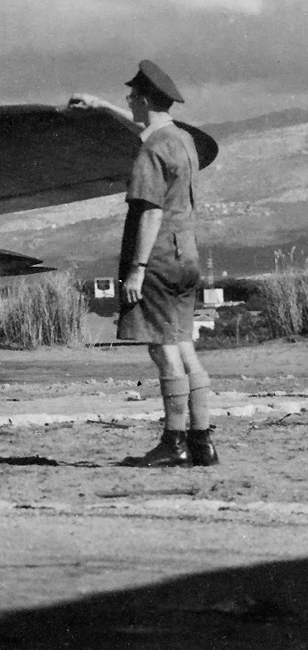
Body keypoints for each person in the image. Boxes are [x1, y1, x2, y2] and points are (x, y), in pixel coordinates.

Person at [70, 61, 214, 467]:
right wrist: (103, 108)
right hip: (185, 256)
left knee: (163, 350)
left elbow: (149, 214)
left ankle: (175, 442)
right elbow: (149, 132)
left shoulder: (152, 151)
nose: (128, 100)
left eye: (132, 96)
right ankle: (202, 441)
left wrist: (137, 268)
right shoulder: (181, 139)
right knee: (184, 346)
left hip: (158, 260)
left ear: (146, 99)